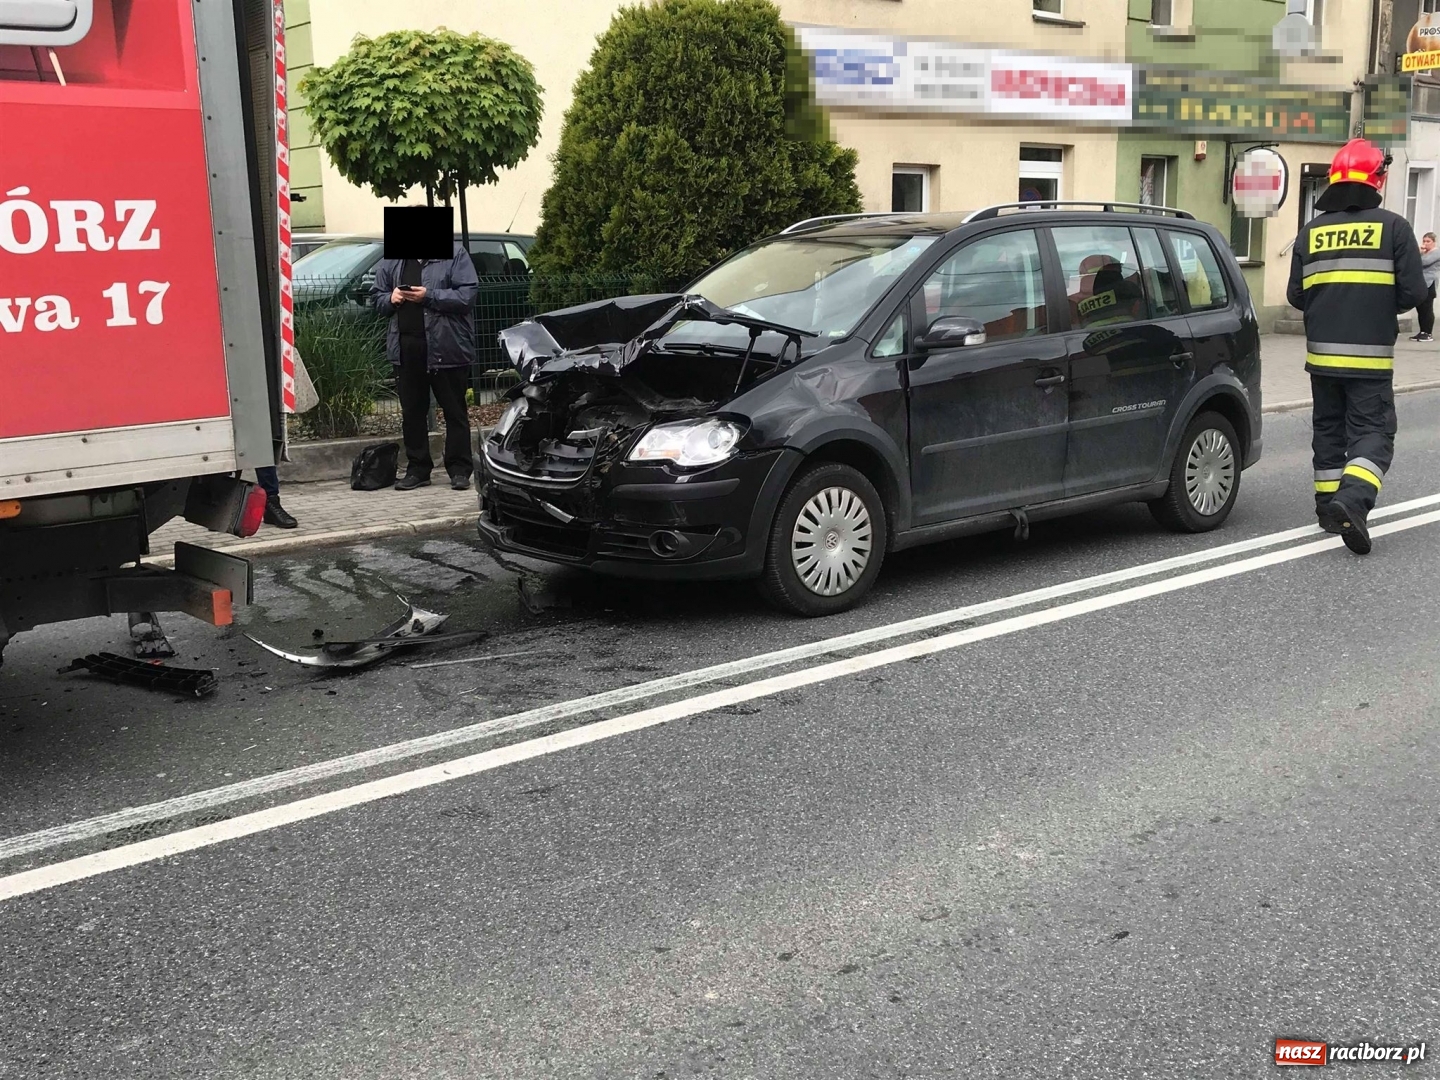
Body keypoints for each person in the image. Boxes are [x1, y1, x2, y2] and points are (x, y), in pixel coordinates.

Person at [1286, 138, 1428, 555]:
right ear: (1377, 180)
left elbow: (1296, 295)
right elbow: (1414, 293)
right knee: (1374, 432)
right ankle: (1352, 501)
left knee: (1329, 430)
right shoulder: (1394, 227)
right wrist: (1377, 304)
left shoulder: (1310, 232)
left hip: (1321, 359)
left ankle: (1327, 507)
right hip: (1369, 358)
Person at [372, 241, 479, 491]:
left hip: (447, 347)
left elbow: (467, 296)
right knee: (412, 413)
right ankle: (418, 469)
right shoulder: (393, 260)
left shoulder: (455, 253)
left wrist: (428, 296)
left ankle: (460, 469)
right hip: (407, 348)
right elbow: (376, 297)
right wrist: (390, 298)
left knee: (455, 411)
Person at [1413, 231, 1440, 342]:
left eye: (1428, 241)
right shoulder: (1424, 253)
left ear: (1433, 242)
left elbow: (1424, 262)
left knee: (1427, 309)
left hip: (1430, 283)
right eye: (1424, 241)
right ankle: (1422, 331)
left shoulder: (1436, 253)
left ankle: (1428, 333)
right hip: (1421, 283)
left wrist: (1418, 253)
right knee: (1421, 308)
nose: (1425, 244)